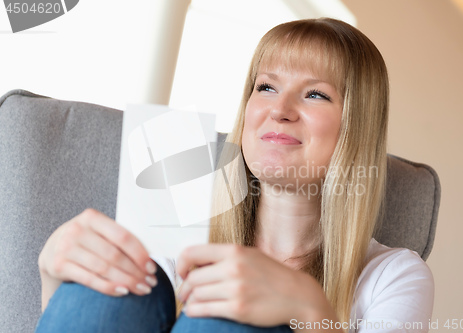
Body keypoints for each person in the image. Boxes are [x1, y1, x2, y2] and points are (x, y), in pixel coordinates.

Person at [35, 18, 433, 332]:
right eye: (265, 87)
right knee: (115, 292)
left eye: (315, 94)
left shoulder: (393, 276)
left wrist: (309, 310)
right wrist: (52, 274)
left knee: (225, 315)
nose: (279, 110)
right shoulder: (174, 233)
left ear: (355, 126)